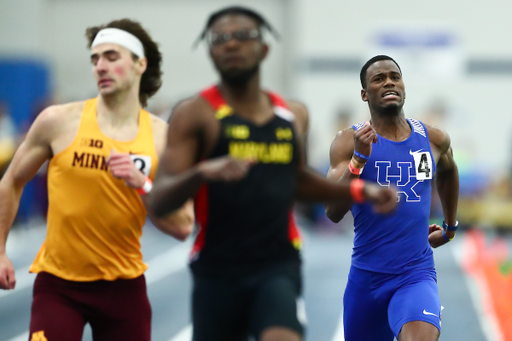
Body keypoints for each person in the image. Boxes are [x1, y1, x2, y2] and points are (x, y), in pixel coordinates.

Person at [149, 7, 396, 341]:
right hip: (217, 268)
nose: (231, 44)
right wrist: (202, 173)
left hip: (277, 263)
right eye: (220, 39)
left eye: (243, 36)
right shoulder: (194, 114)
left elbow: (296, 181)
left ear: (263, 49)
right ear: (211, 51)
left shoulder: (292, 115)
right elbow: (159, 200)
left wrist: (361, 192)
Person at [0, 19, 194, 341]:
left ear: (140, 64)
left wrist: (142, 183)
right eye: (95, 59)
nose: (100, 67)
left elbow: (183, 225)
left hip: (124, 289)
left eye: (111, 57)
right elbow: (10, 183)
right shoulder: (58, 122)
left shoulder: (162, 138)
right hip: (59, 285)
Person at [325, 55, 459, 341]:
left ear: (403, 87)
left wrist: (450, 227)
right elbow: (332, 211)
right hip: (367, 278)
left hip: (416, 275)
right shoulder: (348, 142)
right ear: (364, 94)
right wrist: (358, 161)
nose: (389, 82)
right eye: (378, 78)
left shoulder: (432, 139)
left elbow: (448, 171)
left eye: (395, 76)